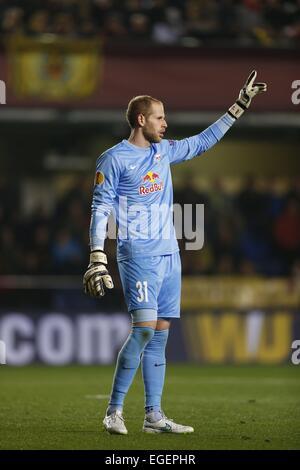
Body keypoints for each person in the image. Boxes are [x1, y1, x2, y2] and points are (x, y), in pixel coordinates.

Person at [83, 71, 267, 435]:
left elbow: (203, 141)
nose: (166, 124)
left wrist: (239, 105)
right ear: (141, 120)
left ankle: (153, 416)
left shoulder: (163, 151)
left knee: (161, 334)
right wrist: (96, 255)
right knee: (143, 331)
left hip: (170, 256)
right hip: (137, 255)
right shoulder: (113, 159)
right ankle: (113, 411)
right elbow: (99, 208)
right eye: (159, 117)